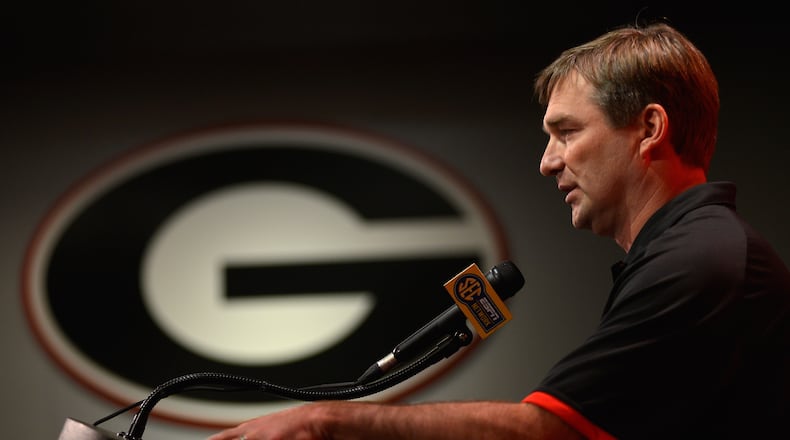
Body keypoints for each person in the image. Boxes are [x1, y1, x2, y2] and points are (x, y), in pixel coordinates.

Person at [207, 21, 790, 440]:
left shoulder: (701, 261)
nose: (547, 161)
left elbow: (548, 432)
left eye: (566, 132)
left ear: (649, 128)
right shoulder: (692, 254)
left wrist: (322, 423)